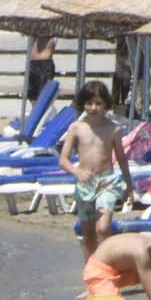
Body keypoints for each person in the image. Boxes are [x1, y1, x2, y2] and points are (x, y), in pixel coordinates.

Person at [58, 80, 133, 258]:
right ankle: (92, 275)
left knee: (103, 227)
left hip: (107, 182)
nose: (93, 108)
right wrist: (77, 172)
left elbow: (121, 159)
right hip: (85, 184)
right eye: (89, 103)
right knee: (88, 234)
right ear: (82, 104)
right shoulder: (76, 128)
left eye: (98, 103)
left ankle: (108, 265)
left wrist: (129, 185)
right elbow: (63, 160)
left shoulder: (113, 129)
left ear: (106, 104)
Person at [27, 35, 55, 102]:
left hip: (45, 64)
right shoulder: (33, 29)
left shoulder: (51, 31)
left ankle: (40, 110)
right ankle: (35, 110)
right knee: (31, 94)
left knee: (42, 94)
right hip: (33, 63)